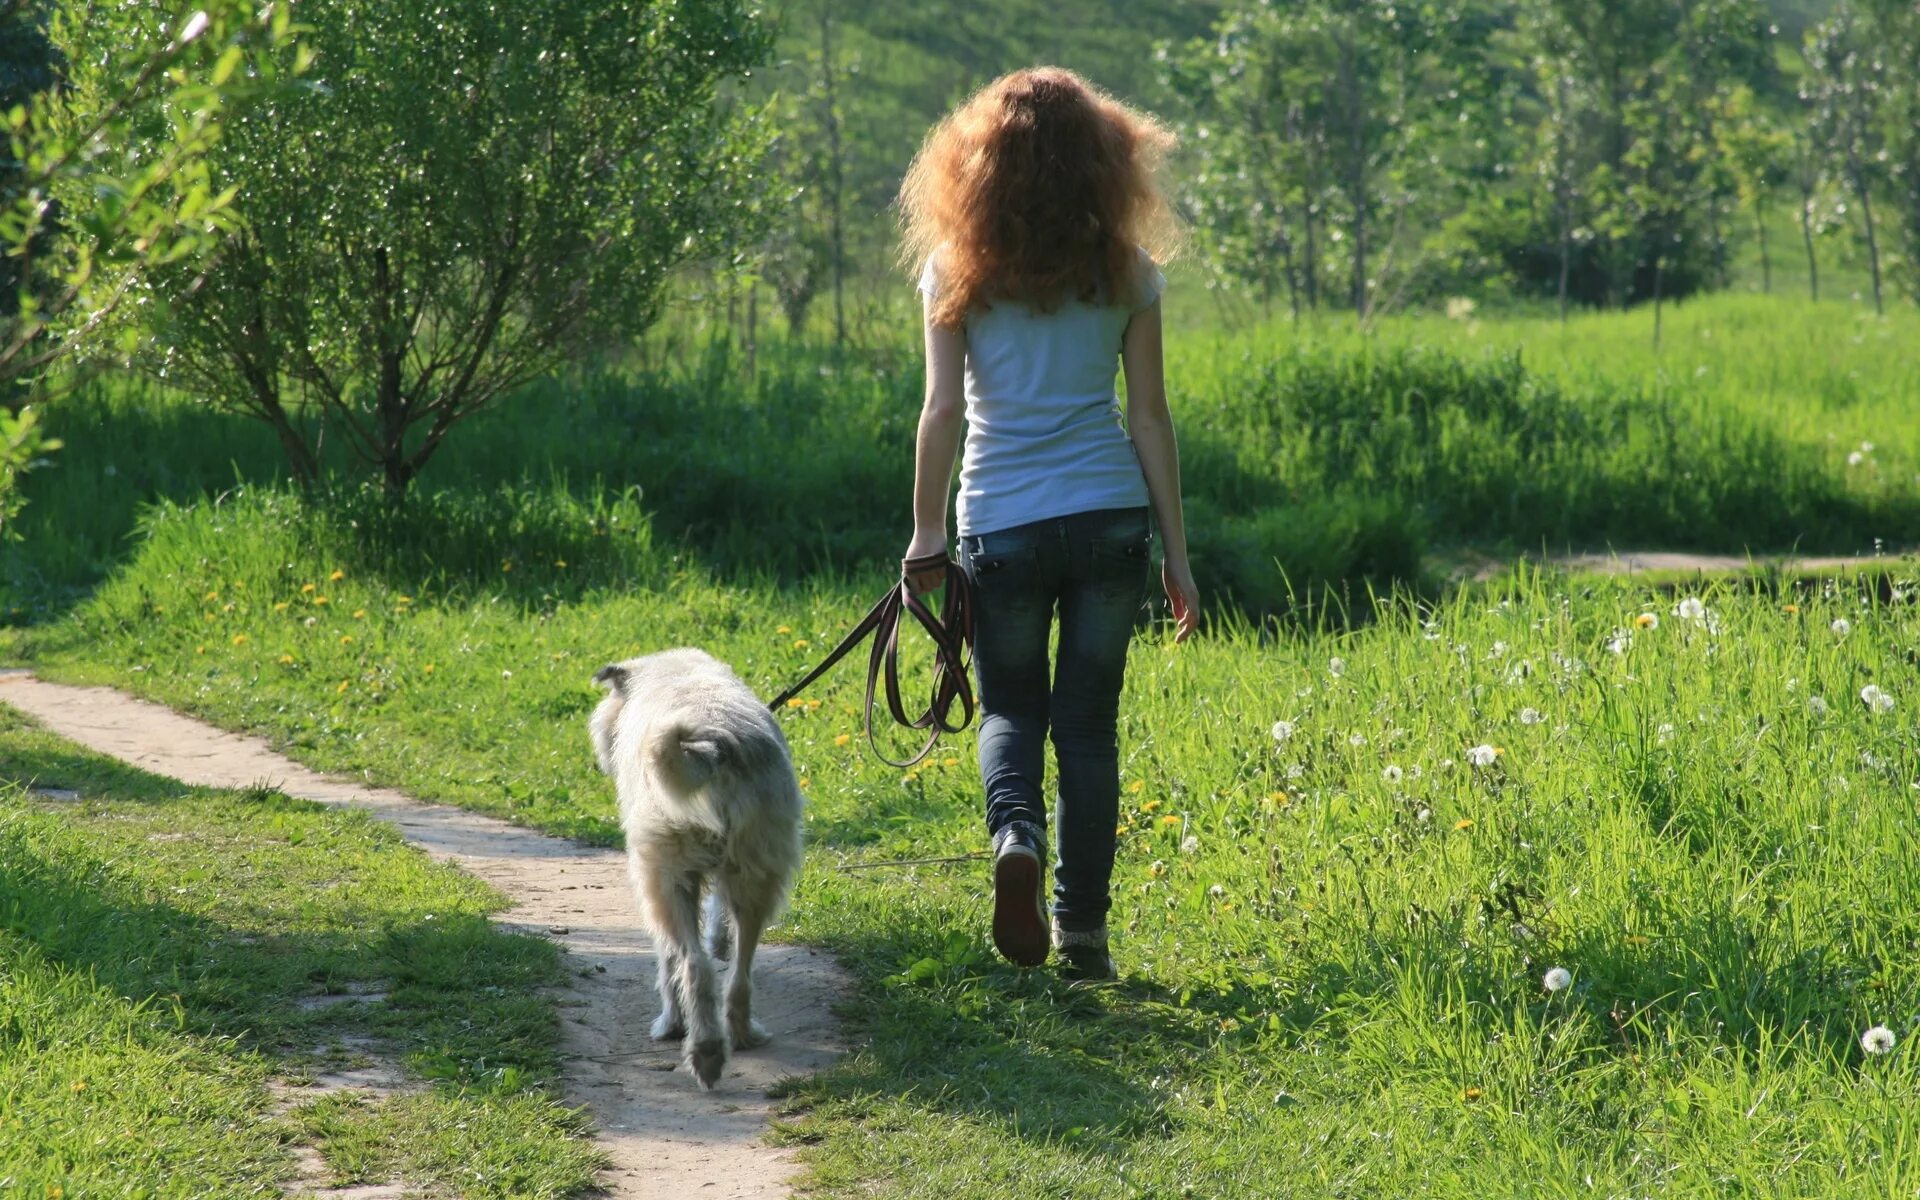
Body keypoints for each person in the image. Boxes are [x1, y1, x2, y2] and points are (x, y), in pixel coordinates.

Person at [896, 67, 1198, 981]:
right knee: (1090, 728)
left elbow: (941, 412)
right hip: (1109, 517)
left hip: (1003, 520)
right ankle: (1085, 937)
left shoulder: (953, 270)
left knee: (1013, 710)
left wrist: (925, 535)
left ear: (979, 164)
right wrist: (1178, 557)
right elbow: (1150, 417)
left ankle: (1015, 836)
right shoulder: (1128, 271)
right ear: (1105, 162)